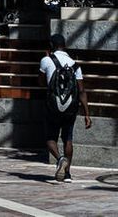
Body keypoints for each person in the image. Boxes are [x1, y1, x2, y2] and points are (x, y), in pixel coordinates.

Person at [40, 33, 92, 183]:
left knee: (50, 138)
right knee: (68, 139)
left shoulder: (46, 60)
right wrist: (87, 114)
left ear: (51, 45)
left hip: (53, 106)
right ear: (64, 46)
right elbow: (81, 91)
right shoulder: (74, 64)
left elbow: (41, 82)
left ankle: (60, 159)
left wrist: (46, 60)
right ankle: (67, 174)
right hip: (71, 108)